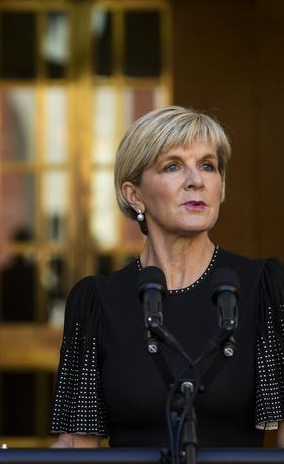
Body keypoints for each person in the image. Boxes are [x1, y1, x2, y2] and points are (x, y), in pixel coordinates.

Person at [51, 105, 284, 449]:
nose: (196, 180)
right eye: (173, 166)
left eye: (208, 166)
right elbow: (77, 446)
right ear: (134, 195)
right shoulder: (96, 303)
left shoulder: (263, 289)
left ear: (220, 187)